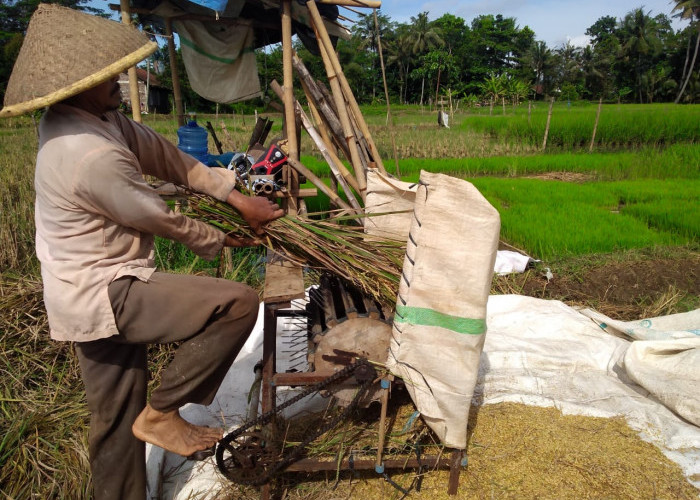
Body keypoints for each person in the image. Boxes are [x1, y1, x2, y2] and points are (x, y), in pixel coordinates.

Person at [1, 4, 284, 499]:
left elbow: (164, 154)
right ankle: (163, 414)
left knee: (114, 420)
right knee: (238, 303)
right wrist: (217, 238)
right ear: (80, 84)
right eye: (109, 75)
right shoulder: (87, 153)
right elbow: (154, 215)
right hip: (106, 287)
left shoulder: (95, 119)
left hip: (80, 286)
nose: (121, 80)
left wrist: (235, 197)